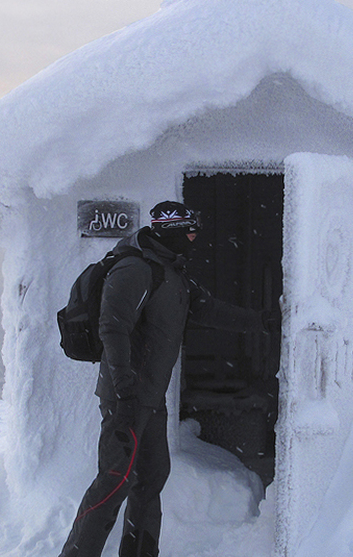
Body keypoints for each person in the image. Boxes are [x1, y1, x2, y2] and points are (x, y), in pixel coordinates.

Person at [59, 201, 277, 557]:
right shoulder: (135, 269)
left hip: (150, 397)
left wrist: (261, 322)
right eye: (190, 230)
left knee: (151, 476)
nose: (195, 237)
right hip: (125, 397)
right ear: (173, 231)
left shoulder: (171, 272)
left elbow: (207, 309)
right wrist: (125, 388)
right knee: (114, 481)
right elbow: (113, 328)